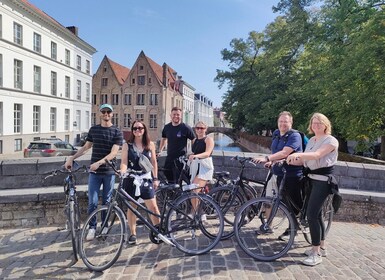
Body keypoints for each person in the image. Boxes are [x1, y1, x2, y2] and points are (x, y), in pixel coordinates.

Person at [65, 104, 123, 241]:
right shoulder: (94, 130)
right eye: (104, 111)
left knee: (107, 201)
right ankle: (92, 227)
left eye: (108, 112)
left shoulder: (116, 131)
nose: (106, 114)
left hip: (109, 171)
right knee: (93, 201)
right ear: (100, 113)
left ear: (112, 114)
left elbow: (114, 152)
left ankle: (104, 226)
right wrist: (72, 158)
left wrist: (99, 163)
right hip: (95, 173)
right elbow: (85, 147)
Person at [287, 112, 339, 266]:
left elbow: (316, 155)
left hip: (323, 182)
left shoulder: (331, 140)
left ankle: (315, 253)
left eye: (319, 122)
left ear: (325, 125)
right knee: (317, 215)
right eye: (314, 123)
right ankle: (322, 247)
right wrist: (286, 161)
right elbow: (305, 161)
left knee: (311, 215)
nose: (316, 125)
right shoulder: (311, 140)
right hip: (311, 180)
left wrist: (298, 154)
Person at [252, 111, 304, 240]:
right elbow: (276, 152)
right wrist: (271, 161)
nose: (283, 124)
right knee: (269, 199)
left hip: (292, 175)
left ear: (291, 123)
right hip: (277, 172)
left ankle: (293, 229)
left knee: (292, 204)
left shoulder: (294, 136)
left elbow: (285, 152)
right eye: (281, 121)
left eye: (286, 121)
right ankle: (267, 226)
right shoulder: (276, 134)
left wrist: (266, 158)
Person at [120, 120, 160, 245]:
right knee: (132, 207)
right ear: (132, 131)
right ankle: (133, 234)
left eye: (140, 128)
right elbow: (124, 161)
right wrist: (122, 171)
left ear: (144, 130)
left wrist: (155, 178)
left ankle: (158, 231)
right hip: (132, 179)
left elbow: (153, 162)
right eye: (135, 128)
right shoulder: (127, 145)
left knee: (153, 207)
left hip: (146, 178)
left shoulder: (150, 144)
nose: (138, 130)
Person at [158, 106, 195, 183]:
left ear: (181, 116)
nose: (176, 116)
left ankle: (179, 193)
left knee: (178, 179)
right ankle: (171, 193)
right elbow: (164, 138)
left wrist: (193, 151)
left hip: (180, 158)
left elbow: (194, 139)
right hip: (170, 157)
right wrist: (160, 151)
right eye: (174, 114)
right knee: (167, 174)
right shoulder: (167, 127)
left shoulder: (185, 127)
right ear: (170, 115)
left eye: (178, 115)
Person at [188, 121, 215, 213]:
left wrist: (196, 156)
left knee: (194, 190)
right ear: (195, 129)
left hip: (205, 168)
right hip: (196, 167)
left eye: (202, 128)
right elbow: (195, 152)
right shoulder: (195, 140)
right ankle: (197, 213)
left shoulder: (208, 139)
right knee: (193, 190)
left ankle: (198, 213)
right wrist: (190, 155)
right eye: (197, 128)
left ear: (206, 129)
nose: (199, 130)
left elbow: (207, 153)